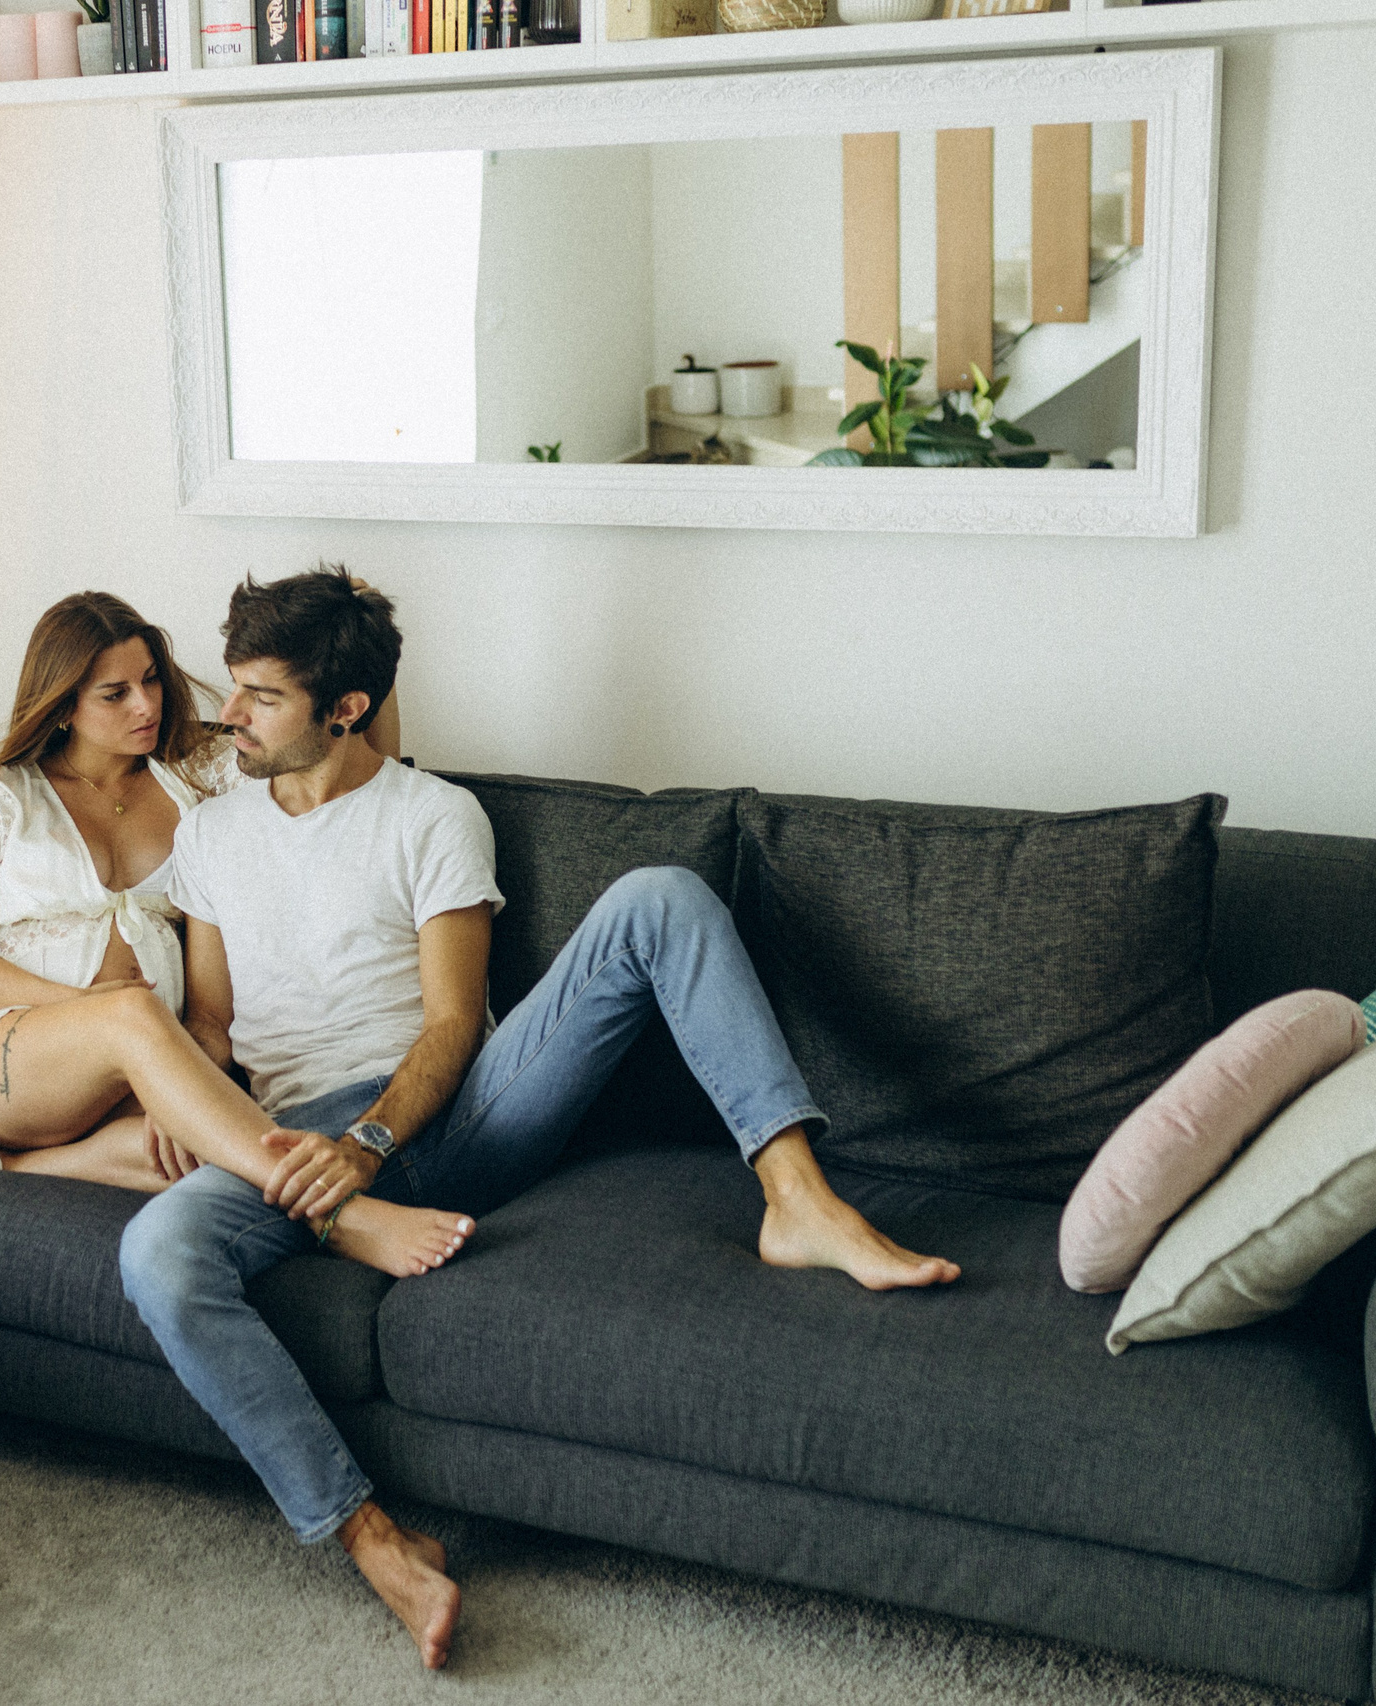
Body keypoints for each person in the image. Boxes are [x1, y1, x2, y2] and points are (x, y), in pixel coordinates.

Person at [83, 567, 959, 1671]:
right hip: (289, 1138)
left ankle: (798, 1197)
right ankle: (373, 1537)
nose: (230, 716)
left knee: (659, 895)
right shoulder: (211, 835)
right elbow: (213, 1022)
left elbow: (453, 1022)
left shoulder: (431, 816)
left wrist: (369, 1143)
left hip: (454, 1116)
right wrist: (179, 1095)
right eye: (235, 686)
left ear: (345, 708)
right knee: (157, 1251)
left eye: (262, 696)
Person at [0, 589, 441, 1262]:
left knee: (200, 1153)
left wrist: (367, 649)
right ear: (63, 704)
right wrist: (85, 1007)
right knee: (135, 1017)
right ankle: (345, 1217)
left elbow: (358, 769)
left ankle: (0, 1163)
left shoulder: (197, 775)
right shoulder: (3, 794)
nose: (145, 705)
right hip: (10, 1050)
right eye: (115, 694)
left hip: (140, 1067)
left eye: (150, 680)